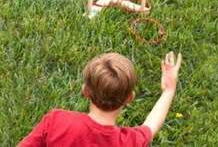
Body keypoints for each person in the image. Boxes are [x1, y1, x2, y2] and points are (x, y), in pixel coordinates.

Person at [18, 51, 182, 147]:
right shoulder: (128, 142)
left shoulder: (56, 120)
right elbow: (151, 126)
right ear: (129, 98)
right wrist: (168, 90)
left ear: (85, 91)